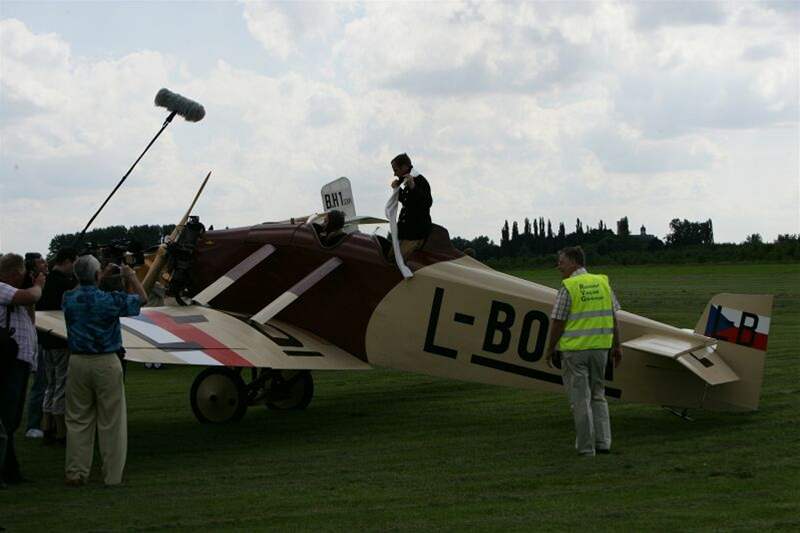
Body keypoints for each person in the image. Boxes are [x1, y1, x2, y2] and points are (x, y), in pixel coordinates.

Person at [62, 255, 146, 486]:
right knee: (112, 420)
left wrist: (96, 276)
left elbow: (83, 289)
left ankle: (76, 472)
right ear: (97, 275)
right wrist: (131, 276)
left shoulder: (68, 298)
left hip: (77, 361)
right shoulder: (110, 300)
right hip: (106, 361)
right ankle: (112, 475)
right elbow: (142, 298)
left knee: (78, 419)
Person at [545, 246, 622, 457]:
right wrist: (617, 345)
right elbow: (614, 318)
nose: (558, 266)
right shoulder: (603, 283)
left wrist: (550, 348)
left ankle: (586, 448)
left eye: (561, 262)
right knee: (598, 395)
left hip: (575, 351)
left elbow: (558, 322)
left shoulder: (568, 286)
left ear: (573, 262)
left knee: (580, 399)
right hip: (600, 349)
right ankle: (604, 442)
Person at [0, 253, 46, 486]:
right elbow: (30, 295)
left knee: (11, 419)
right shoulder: (2, 288)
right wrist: (37, 285)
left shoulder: (13, 295)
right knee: (7, 419)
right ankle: (7, 472)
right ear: (11, 273)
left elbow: (30, 309)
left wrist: (31, 288)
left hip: (18, 361)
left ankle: (10, 470)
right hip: (9, 363)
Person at [36, 247, 77, 445]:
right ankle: (61, 432)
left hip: (45, 340)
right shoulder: (64, 284)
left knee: (50, 386)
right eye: (74, 263)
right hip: (61, 340)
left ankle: (46, 427)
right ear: (67, 261)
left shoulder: (46, 280)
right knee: (62, 385)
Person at [23, 253, 49, 439]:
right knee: (40, 384)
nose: (45, 263)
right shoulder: (29, 285)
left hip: (46, 339)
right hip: (37, 339)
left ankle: (47, 422)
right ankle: (32, 424)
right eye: (41, 261)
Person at [390, 153, 432, 259]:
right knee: (390, 257)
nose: (394, 174)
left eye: (396, 170)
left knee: (396, 262)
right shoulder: (406, 180)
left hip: (414, 236)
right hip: (405, 234)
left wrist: (413, 187)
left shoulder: (420, 181)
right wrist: (397, 190)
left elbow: (427, 203)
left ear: (404, 167)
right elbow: (408, 201)